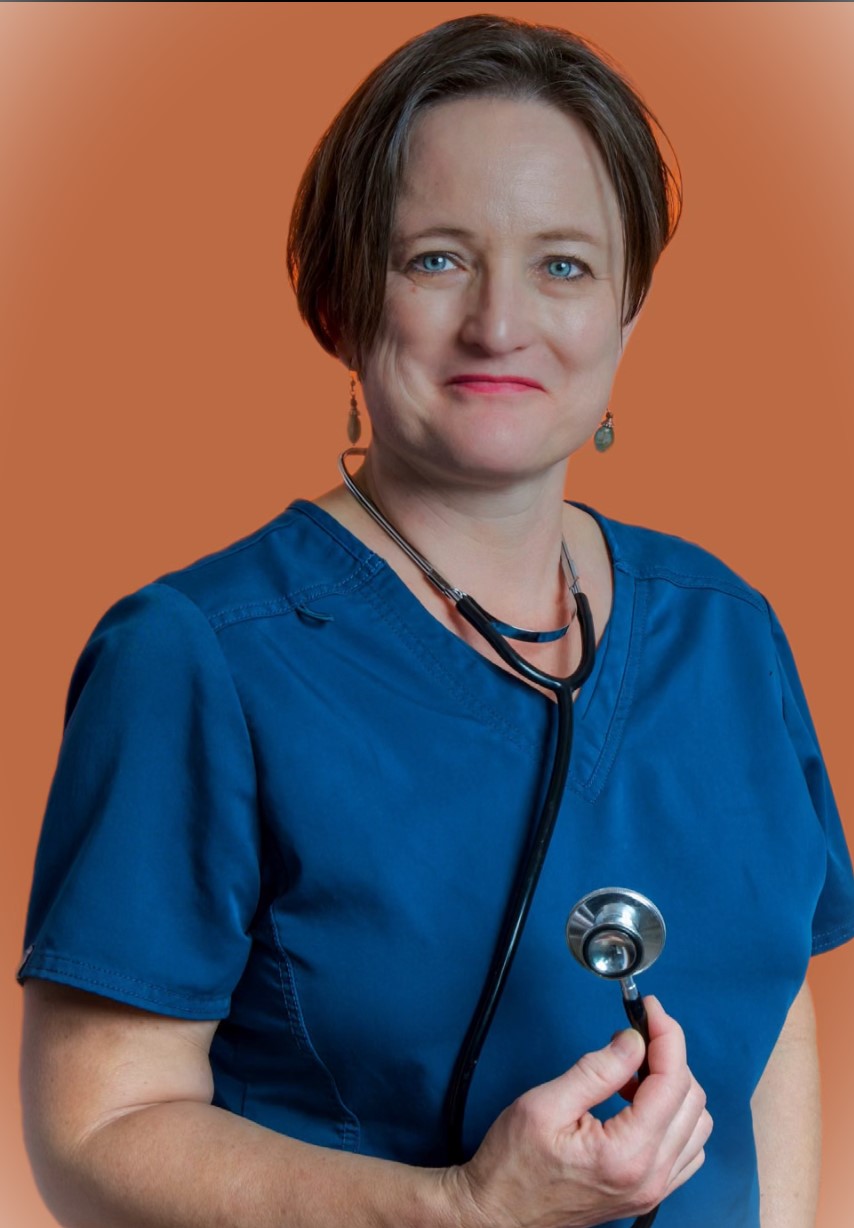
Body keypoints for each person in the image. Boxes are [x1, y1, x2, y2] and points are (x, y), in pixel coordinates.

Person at [17, 13, 853, 1228]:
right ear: (338, 297)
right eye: (436, 259)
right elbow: (97, 1131)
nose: (499, 323)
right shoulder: (197, 657)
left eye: (562, 265)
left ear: (625, 312)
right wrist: (464, 1210)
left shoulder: (723, 632)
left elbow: (765, 1007)